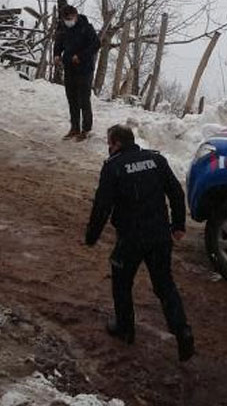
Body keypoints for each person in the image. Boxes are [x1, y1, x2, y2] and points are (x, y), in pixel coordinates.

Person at [84, 124, 195, 362]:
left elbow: (102, 206)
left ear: (117, 144)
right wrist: (178, 226)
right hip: (159, 236)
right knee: (165, 285)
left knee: (121, 280)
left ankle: (124, 327)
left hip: (131, 238)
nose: (108, 146)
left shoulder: (113, 167)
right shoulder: (156, 160)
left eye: (109, 142)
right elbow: (177, 193)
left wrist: (91, 236)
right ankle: (182, 330)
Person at [53, 5, 99, 141]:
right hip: (69, 68)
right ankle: (74, 128)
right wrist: (56, 54)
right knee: (71, 98)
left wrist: (80, 56)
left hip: (84, 68)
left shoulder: (86, 27)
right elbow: (58, 42)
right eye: (66, 19)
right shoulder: (62, 27)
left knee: (84, 99)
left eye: (70, 18)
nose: (68, 21)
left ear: (76, 16)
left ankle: (86, 129)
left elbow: (96, 44)